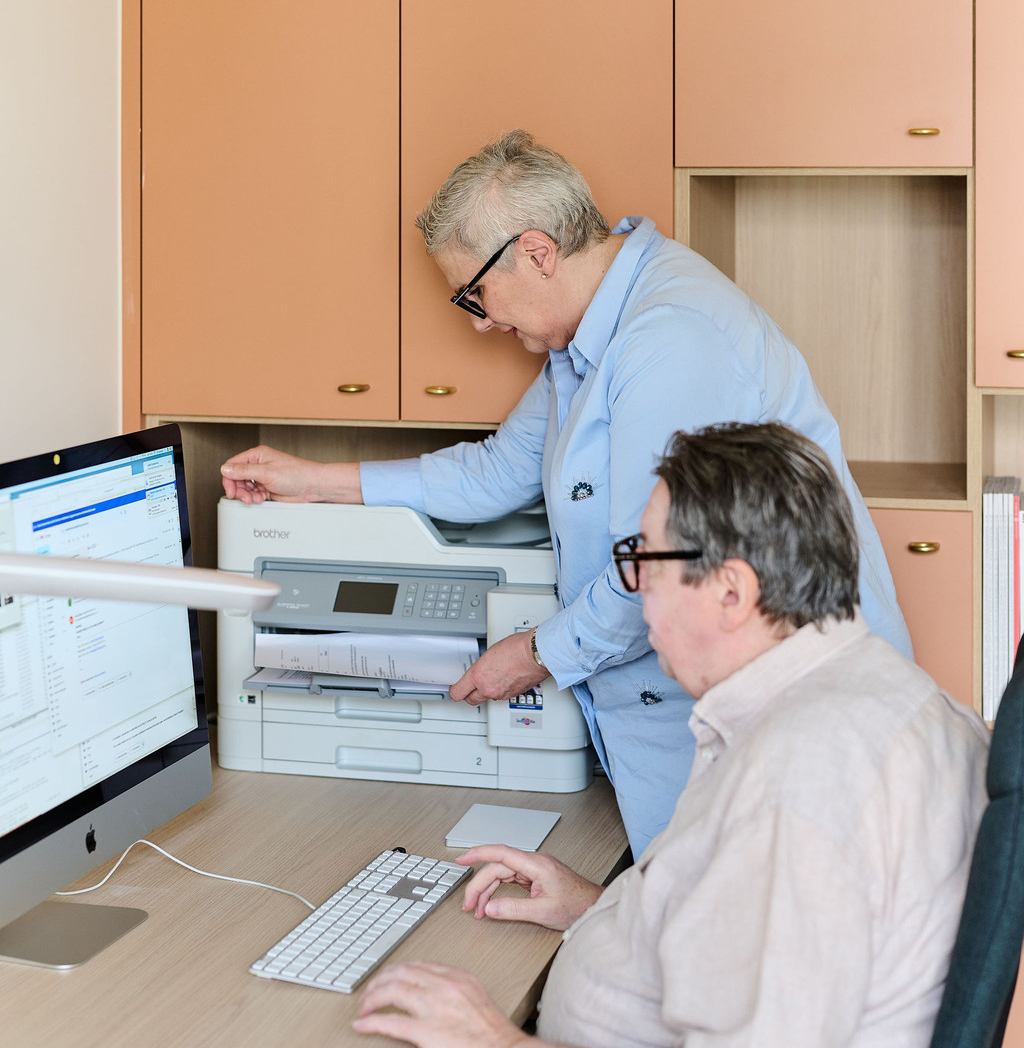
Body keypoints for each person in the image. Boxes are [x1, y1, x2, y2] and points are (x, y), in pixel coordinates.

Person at [352, 422, 989, 1048]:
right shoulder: (888, 701)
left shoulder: (803, 777)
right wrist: (597, 909)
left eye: (643, 563)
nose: (634, 593)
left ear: (730, 591)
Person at [221, 131, 911, 854]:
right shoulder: (586, 340)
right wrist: (315, 481)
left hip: (776, 717)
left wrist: (533, 655)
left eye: (475, 293)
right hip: (679, 714)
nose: (482, 321)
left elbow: (654, 566)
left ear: (537, 251)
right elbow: (496, 470)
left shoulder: (668, 340)